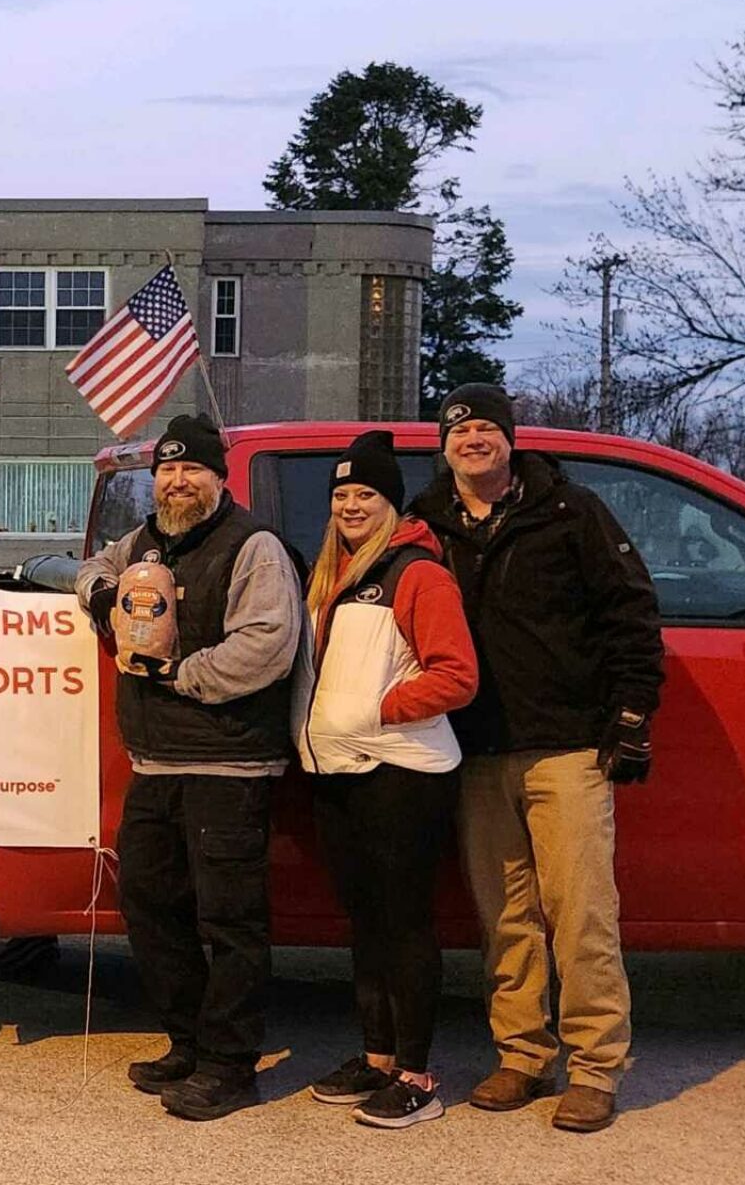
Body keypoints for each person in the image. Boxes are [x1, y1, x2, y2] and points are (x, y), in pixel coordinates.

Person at [410, 384, 664, 1133]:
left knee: (582, 914)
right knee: (506, 918)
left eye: (489, 427)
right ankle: (521, 1055)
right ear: (445, 445)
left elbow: (631, 613)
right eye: (462, 429)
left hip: (568, 748)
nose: (475, 439)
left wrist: (630, 715)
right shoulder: (428, 523)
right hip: (476, 750)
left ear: (511, 440)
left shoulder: (570, 511)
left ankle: (594, 1068)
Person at [74, 412, 301, 1122]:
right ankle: (188, 1040)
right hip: (157, 762)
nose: (177, 480)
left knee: (229, 919)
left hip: (229, 763)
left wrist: (180, 672)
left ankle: (231, 1065)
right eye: (167, 470)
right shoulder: (143, 543)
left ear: (217, 477)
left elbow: (267, 644)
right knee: (148, 904)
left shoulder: (252, 547)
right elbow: (90, 572)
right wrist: (104, 597)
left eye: (191, 469)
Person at [294, 430, 478, 1129]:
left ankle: (417, 1074)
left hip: (402, 772)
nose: (349, 505)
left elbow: (456, 675)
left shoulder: (416, 574)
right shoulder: (328, 577)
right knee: (365, 923)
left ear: (391, 503)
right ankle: (375, 1059)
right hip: (339, 771)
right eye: (341, 494)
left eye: (365, 493)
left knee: (404, 926)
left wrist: (377, 710)